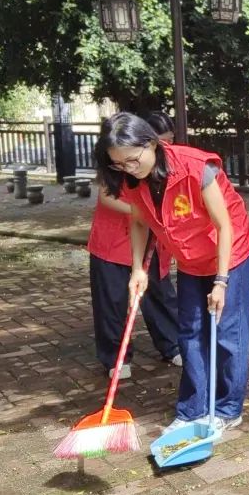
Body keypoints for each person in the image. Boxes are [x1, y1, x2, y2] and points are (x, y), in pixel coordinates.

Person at [95, 113, 249, 435]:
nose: (129, 168)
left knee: (227, 333)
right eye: (119, 164)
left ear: (151, 143)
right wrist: (137, 269)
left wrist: (221, 281)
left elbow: (224, 226)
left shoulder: (196, 168)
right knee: (190, 331)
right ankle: (192, 409)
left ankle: (227, 409)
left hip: (228, 253)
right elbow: (138, 221)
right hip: (190, 258)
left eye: (133, 159)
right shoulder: (132, 179)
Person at [87, 132, 180, 380]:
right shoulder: (119, 162)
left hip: (152, 242)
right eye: (163, 139)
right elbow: (106, 196)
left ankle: (172, 345)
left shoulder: (164, 164)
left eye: (170, 139)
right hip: (113, 242)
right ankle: (116, 357)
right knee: (112, 300)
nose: (167, 145)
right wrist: (141, 211)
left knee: (161, 295)